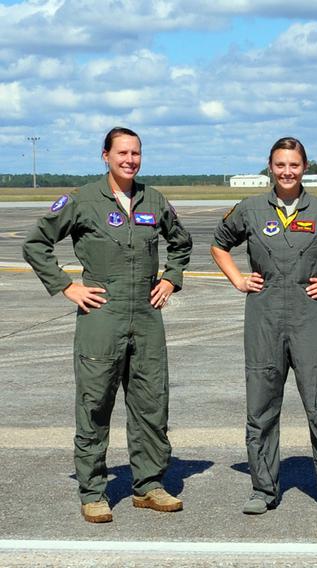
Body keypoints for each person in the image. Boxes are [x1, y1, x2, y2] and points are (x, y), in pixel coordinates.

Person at [22, 127, 192, 523]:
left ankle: (148, 485)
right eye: (122, 153)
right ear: (105, 156)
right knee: (95, 403)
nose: (130, 160)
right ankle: (93, 491)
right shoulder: (82, 201)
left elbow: (181, 244)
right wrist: (67, 286)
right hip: (102, 316)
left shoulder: (154, 200)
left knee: (151, 403)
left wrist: (171, 278)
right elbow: (35, 244)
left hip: (147, 318)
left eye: (136, 153)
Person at [211, 137, 317, 516]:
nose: (287, 171)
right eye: (280, 164)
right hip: (263, 317)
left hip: (310, 316)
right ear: (270, 166)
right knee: (261, 405)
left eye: (294, 165)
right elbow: (219, 244)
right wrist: (238, 279)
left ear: (304, 167)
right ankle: (263, 488)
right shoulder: (249, 209)